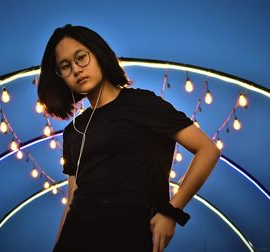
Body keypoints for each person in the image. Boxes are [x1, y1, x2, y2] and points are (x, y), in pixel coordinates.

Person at [37, 24, 220, 252]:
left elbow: (208, 149)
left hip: (130, 237)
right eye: (65, 66)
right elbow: (73, 200)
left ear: (98, 53)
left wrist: (172, 211)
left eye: (81, 57)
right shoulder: (74, 131)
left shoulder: (142, 104)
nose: (76, 69)